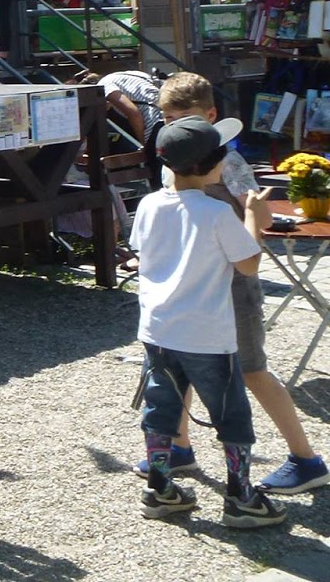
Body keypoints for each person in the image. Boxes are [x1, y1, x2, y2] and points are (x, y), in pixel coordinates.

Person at [134, 72, 329, 495]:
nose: (174, 127)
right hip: (191, 285)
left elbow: (256, 219)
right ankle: (179, 447)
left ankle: (305, 458)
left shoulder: (225, 160)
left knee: (252, 369)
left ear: (210, 116)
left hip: (230, 287)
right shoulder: (177, 157)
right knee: (177, 370)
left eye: (183, 118)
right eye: (168, 119)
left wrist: (252, 218)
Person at [130, 116, 283, 527]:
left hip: (158, 329)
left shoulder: (148, 205)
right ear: (211, 165)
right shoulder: (217, 213)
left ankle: (160, 488)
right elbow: (248, 265)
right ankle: (241, 497)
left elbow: (142, 250)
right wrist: (252, 215)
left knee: (161, 408)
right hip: (208, 335)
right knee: (231, 414)